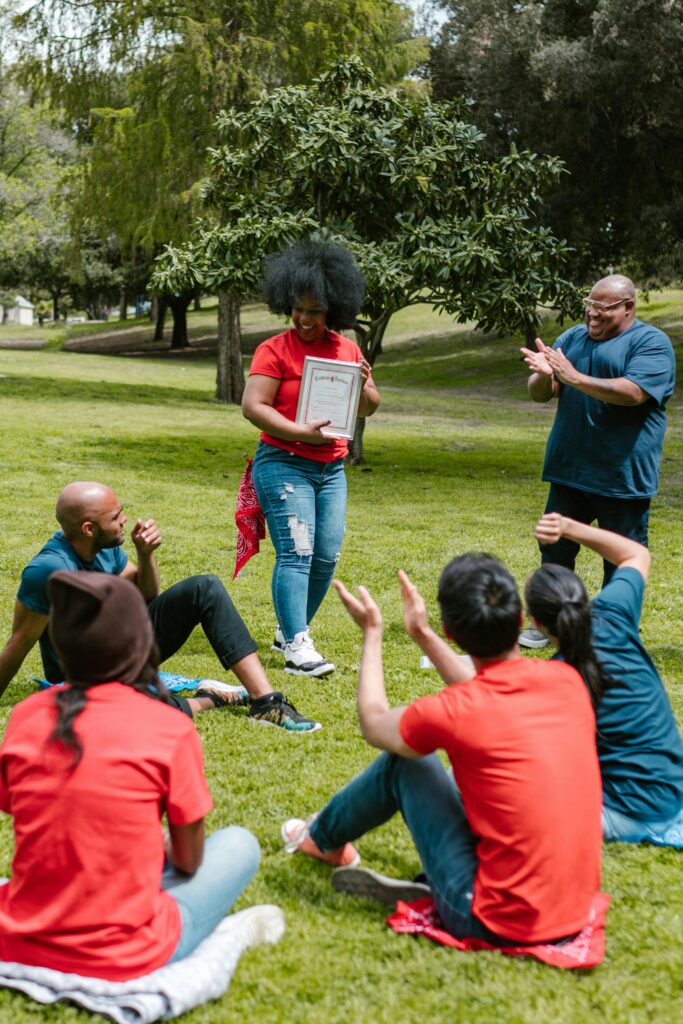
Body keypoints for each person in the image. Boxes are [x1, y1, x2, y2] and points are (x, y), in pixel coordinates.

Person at [281, 560, 602, 945]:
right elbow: (488, 690)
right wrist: (421, 633)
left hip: (495, 920)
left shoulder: (458, 709)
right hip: (574, 908)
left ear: (451, 631)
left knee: (406, 763)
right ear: (521, 620)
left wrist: (372, 634)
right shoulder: (566, 680)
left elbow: (374, 722)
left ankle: (321, 839)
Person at [0, 570, 276, 979]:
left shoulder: (26, 715)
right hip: (126, 952)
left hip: (20, 939)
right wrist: (155, 841)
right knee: (239, 845)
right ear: (142, 645)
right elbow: (188, 859)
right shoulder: (168, 727)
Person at [0, 481, 320, 733]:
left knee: (204, 587)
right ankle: (208, 700)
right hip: (83, 675)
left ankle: (266, 702)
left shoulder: (103, 545)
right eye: (115, 517)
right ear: (88, 528)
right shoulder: (48, 571)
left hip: (124, 647)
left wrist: (145, 553)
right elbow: (20, 642)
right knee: (134, 716)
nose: (124, 519)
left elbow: (145, 595)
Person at [242, 239, 380, 677]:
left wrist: (364, 386)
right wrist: (299, 431)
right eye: (298, 309)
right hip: (283, 463)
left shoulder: (348, 350)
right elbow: (254, 407)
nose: (305, 319)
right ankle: (298, 647)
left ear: (333, 310)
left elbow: (369, 406)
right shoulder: (274, 350)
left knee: (325, 557)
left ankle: (289, 630)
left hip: (331, 469)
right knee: (297, 551)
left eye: (315, 311)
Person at [519, 273, 675, 648]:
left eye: (602, 308)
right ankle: (548, 625)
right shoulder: (572, 338)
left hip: (622, 474)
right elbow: (544, 393)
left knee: (620, 557)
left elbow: (633, 392)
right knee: (554, 548)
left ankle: (615, 632)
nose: (592, 315)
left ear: (628, 307)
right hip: (569, 469)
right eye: (589, 306)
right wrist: (544, 376)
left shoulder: (650, 343)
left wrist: (573, 376)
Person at [525, 513, 683, 846]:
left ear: (535, 624)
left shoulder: (557, 678)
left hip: (625, 812)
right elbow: (636, 554)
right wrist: (570, 528)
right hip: (672, 789)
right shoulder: (613, 613)